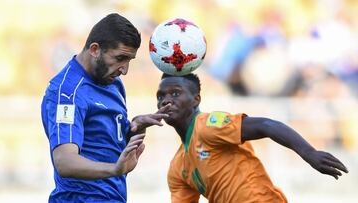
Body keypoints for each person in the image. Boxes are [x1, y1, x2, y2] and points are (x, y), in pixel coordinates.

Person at [156, 73, 348, 203]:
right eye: (160, 96)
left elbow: (266, 125)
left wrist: (309, 153)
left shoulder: (208, 125)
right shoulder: (177, 168)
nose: (166, 100)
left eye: (175, 93)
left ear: (196, 99)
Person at [41, 13, 168, 203]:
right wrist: (115, 169)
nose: (124, 70)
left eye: (129, 61)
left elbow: (103, 145)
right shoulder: (67, 93)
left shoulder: (114, 84)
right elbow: (64, 162)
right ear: (94, 49)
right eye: (120, 58)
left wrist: (134, 129)